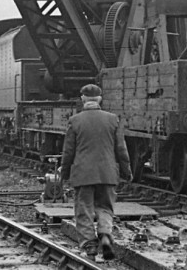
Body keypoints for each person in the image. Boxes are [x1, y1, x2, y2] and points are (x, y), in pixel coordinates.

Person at [60, 84, 132, 260]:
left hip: (83, 174)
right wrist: (127, 172)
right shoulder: (113, 119)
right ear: (100, 99)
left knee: (84, 208)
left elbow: (68, 152)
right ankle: (105, 234)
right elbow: (121, 150)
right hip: (107, 173)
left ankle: (89, 246)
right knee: (105, 207)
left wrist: (64, 174)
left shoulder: (75, 121)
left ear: (83, 99)